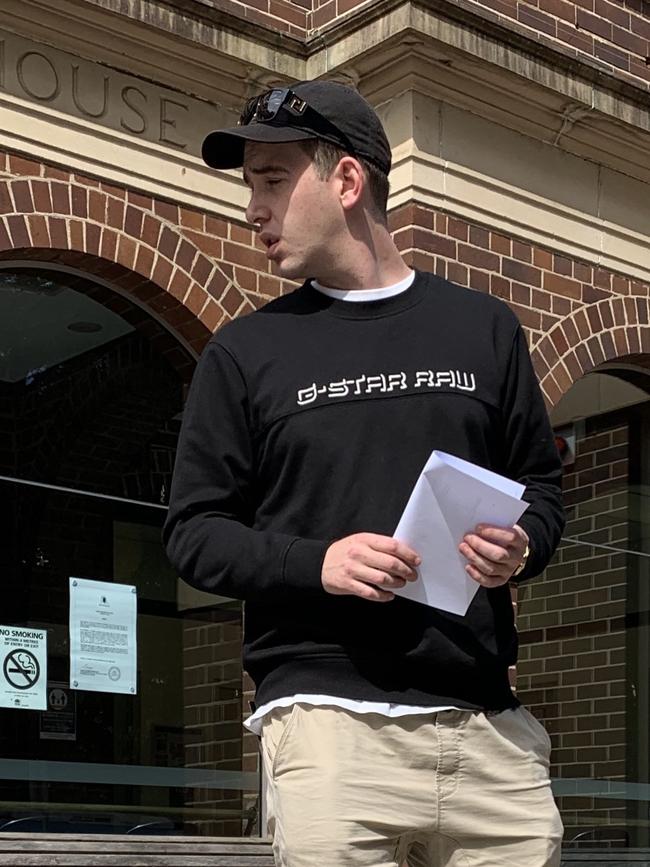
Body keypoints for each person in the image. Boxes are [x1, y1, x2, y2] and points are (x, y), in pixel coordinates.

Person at [163, 80, 565, 867]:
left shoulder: (482, 329)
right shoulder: (245, 355)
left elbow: (543, 490)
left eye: (272, 181)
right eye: (251, 186)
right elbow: (193, 533)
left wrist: (521, 546)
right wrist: (320, 561)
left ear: (347, 181)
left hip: (486, 734)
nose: (253, 209)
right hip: (328, 727)